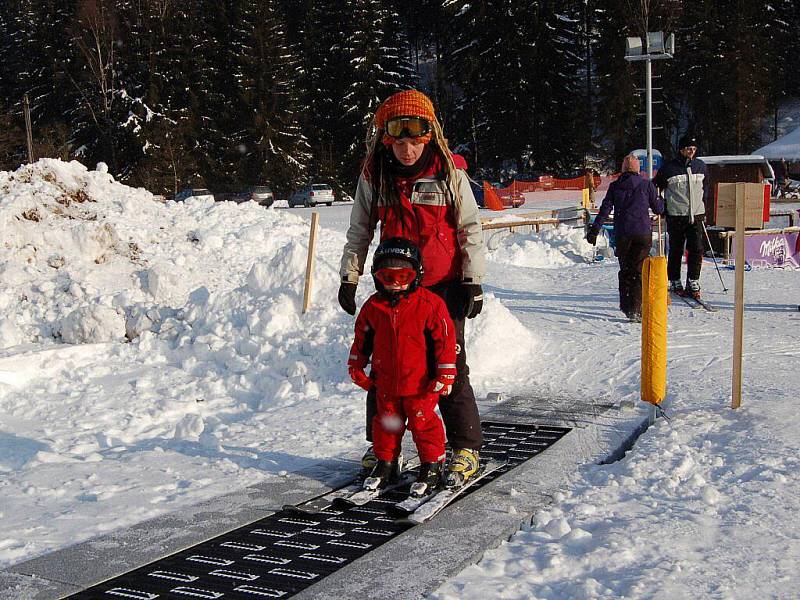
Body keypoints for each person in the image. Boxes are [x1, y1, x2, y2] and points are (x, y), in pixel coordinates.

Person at [338, 89, 486, 486]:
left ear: (429, 136)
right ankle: (383, 446)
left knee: (448, 366)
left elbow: (470, 228)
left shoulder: (448, 172)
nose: (407, 149)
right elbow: (360, 229)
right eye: (399, 140)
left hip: (443, 286)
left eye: (415, 139)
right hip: (395, 287)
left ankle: (465, 447)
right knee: (386, 367)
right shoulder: (376, 173)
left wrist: (473, 280)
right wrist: (349, 276)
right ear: (388, 139)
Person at [348, 238, 455, 495]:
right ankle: (386, 463)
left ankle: (432, 465)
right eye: (387, 276)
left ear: (416, 275)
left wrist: (446, 374)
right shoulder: (373, 307)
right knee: (386, 424)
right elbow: (362, 339)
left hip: (420, 384)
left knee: (423, 424)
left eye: (403, 276)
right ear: (377, 277)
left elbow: (445, 341)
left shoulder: (429, 305)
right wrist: (356, 366)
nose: (395, 283)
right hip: (386, 382)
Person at [586, 154, 664, 322]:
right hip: (642, 233)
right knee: (638, 269)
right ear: (638, 169)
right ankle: (637, 307)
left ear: (622, 169)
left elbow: (605, 210)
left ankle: (627, 306)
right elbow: (658, 209)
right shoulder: (646, 185)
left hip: (623, 234)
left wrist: (594, 230)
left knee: (625, 269)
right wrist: (661, 200)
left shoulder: (615, 187)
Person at [654, 133, 709, 299]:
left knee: (696, 249)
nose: (691, 152)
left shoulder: (701, 166)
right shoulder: (669, 168)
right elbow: (655, 188)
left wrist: (703, 205)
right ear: (681, 150)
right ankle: (674, 279)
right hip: (676, 215)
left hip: (696, 214)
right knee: (676, 249)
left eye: (693, 149)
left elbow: (706, 188)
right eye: (688, 149)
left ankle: (693, 280)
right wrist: (662, 207)